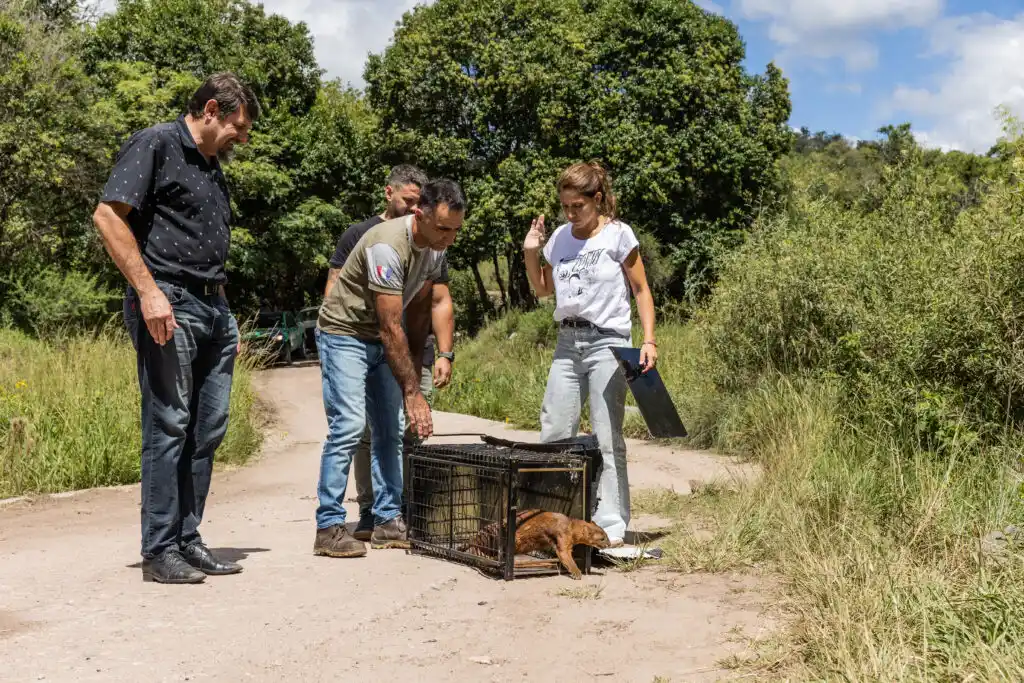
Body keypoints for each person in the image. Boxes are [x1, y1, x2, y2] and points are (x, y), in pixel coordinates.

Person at [92, 73, 261, 584]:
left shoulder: (211, 166)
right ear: (211, 109)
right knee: (168, 424)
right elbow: (107, 215)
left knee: (206, 429)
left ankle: (188, 540)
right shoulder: (157, 142)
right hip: (170, 301)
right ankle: (159, 549)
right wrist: (149, 293)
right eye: (239, 126)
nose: (243, 138)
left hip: (212, 308)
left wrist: (226, 313)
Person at [313, 179, 465, 558]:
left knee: (390, 430)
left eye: (456, 230)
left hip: (384, 338)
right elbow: (389, 324)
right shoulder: (386, 245)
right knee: (348, 425)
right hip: (345, 332)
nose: (449, 238)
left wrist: (413, 371)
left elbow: (416, 315)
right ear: (420, 214)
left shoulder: (434, 249)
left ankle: (386, 520)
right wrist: (412, 394)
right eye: (443, 228)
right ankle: (328, 526)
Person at [522, 161, 658, 547]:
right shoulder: (561, 238)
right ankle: (550, 521)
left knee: (605, 433)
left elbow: (642, 291)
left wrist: (648, 340)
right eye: (565, 206)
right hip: (567, 343)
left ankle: (609, 527)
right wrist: (532, 252)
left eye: (577, 206)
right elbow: (544, 290)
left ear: (596, 199)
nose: (570, 214)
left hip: (607, 342)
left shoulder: (618, 235)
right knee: (554, 431)